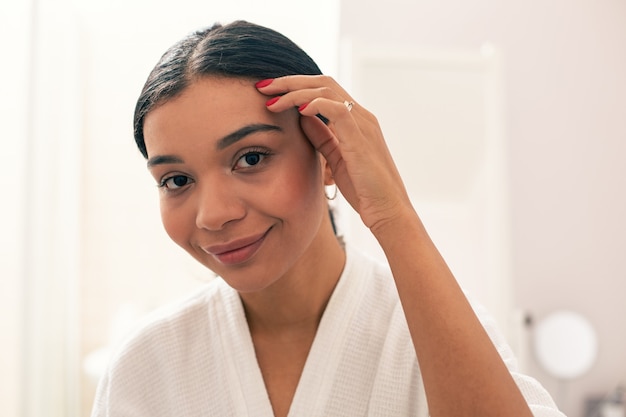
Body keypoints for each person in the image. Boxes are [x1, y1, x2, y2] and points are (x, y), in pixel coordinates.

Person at [91, 20, 565, 417]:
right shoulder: (144, 365)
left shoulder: (435, 337)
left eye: (251, 158)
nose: (213, 216)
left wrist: (393, 215)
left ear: (325, 152)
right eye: (176, 180)